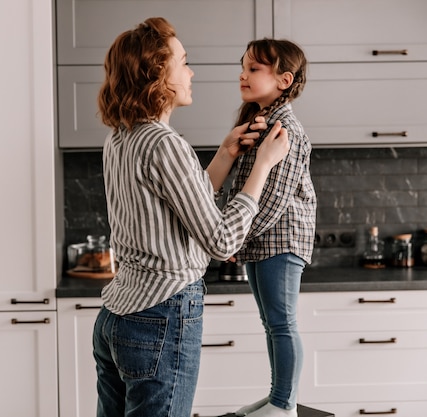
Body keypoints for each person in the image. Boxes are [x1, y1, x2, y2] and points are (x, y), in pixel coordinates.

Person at [93, 17, 290, 417]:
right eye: (183, 62)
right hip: (160, 316)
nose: (190, 71)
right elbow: (221, 241)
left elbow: (180, 202)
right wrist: (261, 167)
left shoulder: (121, 136)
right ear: (157, 76)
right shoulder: (166, 145)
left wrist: (224, 155)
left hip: (116, 317)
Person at [227, 38, 317, 417]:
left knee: (282, 323)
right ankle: (278, 395)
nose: (243, 75)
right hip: (264, 240)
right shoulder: (262, 121)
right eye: (244, 67)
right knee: (272, 323)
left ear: (283, 80)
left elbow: (275, 199)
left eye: (254, 69)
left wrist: (234, 236)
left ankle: (284, 405)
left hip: (280, 239)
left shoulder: (286, 130)